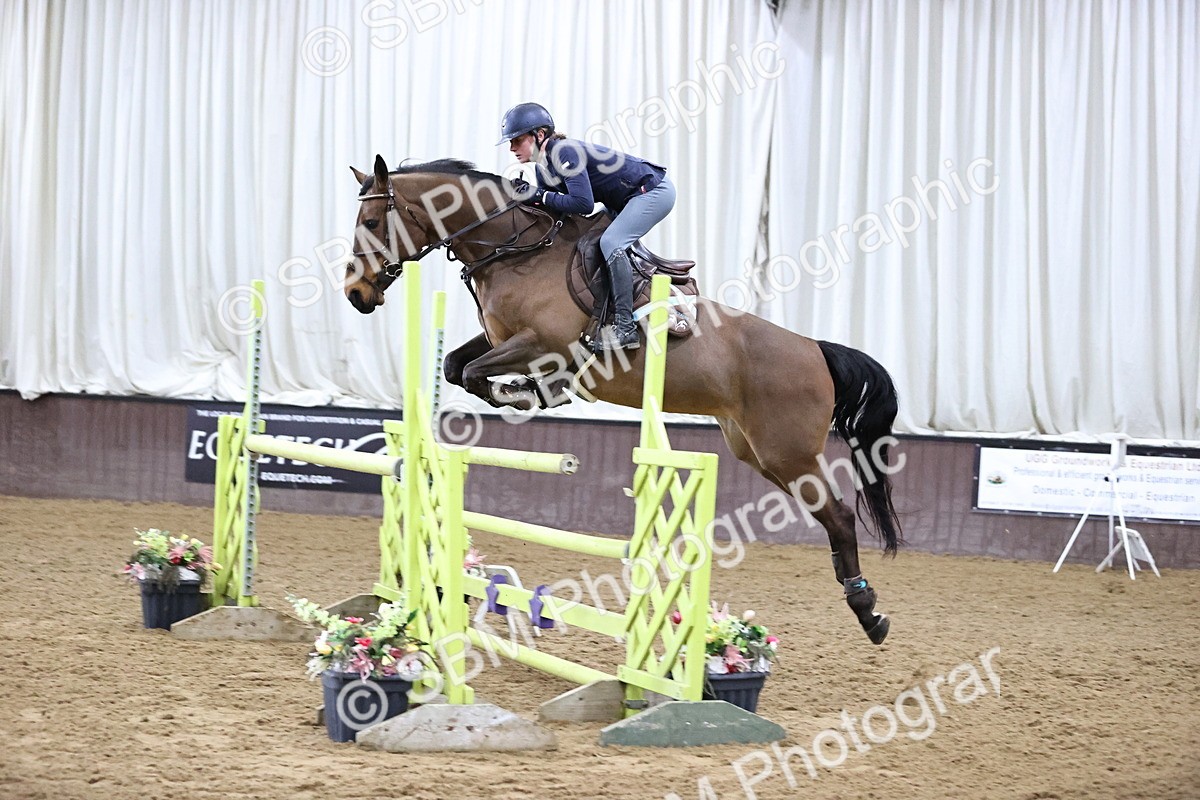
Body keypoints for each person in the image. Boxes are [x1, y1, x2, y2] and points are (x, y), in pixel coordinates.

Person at [498, 102, 676, 351]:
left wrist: (538, 195)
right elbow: (553, 211)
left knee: (611, 242)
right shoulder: (542, 168)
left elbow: (583, 203)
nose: (511, 148)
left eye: (517, 139)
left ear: (540, 134)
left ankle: (626, 328)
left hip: (652, 191)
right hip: (624, 199)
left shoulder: (563, 151)